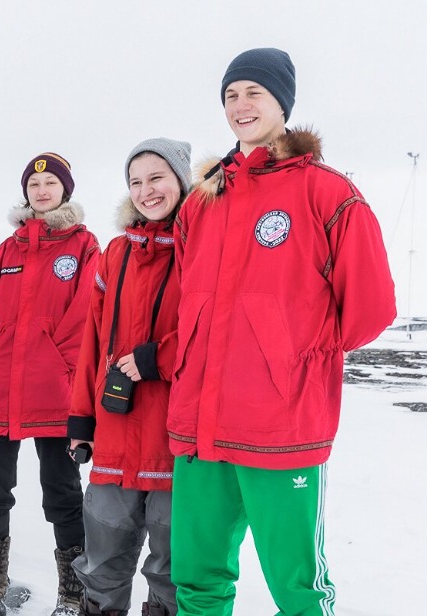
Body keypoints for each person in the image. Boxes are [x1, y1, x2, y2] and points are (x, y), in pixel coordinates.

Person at [169, 48, 397, 615]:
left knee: (298, 589)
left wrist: (291, 355)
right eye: (230, 95)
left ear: (282, 103)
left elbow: (370, 308)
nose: (240, 105)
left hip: (281, 426)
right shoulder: (202, 201)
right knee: (197, 581)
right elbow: (185, 302)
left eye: (254, 92)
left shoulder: (327, 192)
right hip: (199, 426)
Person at [0, 153, 100, 616]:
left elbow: (87, 314)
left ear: (65, 190)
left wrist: (61, 365)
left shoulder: (84, 248)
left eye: (50, 183)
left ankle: (73, 591)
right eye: (34, 184)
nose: (42, 191)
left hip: (57, 396)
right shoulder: (7, 251)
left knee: (63, 493)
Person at [67, 138, 193, 616]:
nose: (146, 190)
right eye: (135, 181)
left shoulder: (202, 247)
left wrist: (158, 358)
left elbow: (217, 330)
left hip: (176, 442)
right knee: (101, 566)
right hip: (115, 437)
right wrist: (81, 420)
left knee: (173, 571)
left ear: (181, 180)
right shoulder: (115, 253)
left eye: (157, 177)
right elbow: (93, 343)